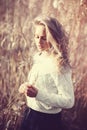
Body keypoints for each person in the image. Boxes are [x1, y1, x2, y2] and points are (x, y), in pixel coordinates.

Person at [19, 15, 75, 130]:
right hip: (30, 115)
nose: (38, 41)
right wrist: (25, 87)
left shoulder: (60, 65)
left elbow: (69, 101)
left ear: (53, 38)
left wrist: (38, 94)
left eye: (43, 38)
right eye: (36, 36)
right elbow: (42, 84)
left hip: (46, 122)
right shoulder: (40, 56)